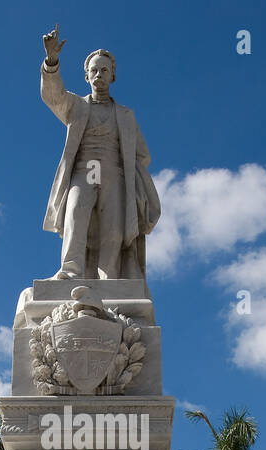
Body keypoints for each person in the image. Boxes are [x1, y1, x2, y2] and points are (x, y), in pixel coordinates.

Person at [38, 25, 160, 280]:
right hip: (84, 171)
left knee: (113, 230)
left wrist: (131, 178)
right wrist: (52, 62)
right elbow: (53, 96)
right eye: (93, 70)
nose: (98, 75)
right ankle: (71, 272)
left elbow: (142, 154)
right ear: (86, 76)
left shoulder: (126, 115)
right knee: (75, 215)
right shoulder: (76, 106)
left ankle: (110, 278)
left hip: (114, 174)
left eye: (104, 70)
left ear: (113, 75)